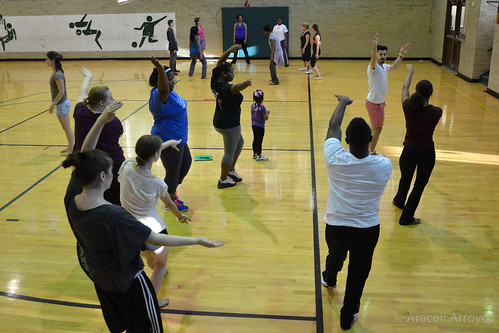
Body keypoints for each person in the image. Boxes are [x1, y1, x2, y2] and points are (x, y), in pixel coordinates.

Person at [62, 103, 224, 332]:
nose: (112, 175)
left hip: (100, 279)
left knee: (118, 324)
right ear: (102, 177)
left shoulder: (72, 199)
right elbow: (158, 239)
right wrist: (198, 240)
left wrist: (101, 120)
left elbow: (83, 153)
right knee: (147, 325)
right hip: (128, 282)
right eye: (109, 172)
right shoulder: (115, 217)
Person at [321, 95, 392, 330]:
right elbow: (372, 157)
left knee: (335, 255)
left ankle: (329, 278)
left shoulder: (334, 157)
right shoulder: (384, 165)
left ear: (346, 141)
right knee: (358, 274)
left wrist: (342, 102)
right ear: (371, 139)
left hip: (336, 228)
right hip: (367, 231)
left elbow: (333, 127)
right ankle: (347, 315)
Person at [392, 65, 442, 225]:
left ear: (417, 91)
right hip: (427, 153)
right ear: (430, 94)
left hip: (409, 151)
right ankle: (406, 217)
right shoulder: (436, 112)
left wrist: (411, 72)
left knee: (405, 178)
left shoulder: (408, 107)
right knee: (419, 186)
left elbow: (405, 88)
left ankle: (399, 201)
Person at [73, 68, 124, 205]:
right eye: (110, 98)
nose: (113, 100)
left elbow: (82, 93)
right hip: (110, 165)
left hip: (86, 167)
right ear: (102, 103)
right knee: (114, 200)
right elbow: (119, 134)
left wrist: (88, 77)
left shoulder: (80, 111)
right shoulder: (112, 122)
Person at [148, 57, 192, 212]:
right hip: (167, 138)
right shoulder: (159, 96)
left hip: (180, 137)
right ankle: (170, 202)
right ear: (162, 81)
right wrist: (160, 68)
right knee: (173, 173)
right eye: (170, 80)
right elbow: (164, 89)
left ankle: (168, 192)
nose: (173, 83)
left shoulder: (170, 94)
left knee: (186, 165)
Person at [211, 45, 252, 189]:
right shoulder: (225, 88)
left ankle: (230, 171)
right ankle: (223, 179)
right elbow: (234, 88)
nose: (233, 75)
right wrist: (246, 84)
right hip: (230, 125)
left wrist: (229, 50)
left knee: (239, 144)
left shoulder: (215, 81)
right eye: (232, 73)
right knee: (229, 152)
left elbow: (220, 62)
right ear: (224, 74)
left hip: (220, 121)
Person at [366, 33, 411, 153]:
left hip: (379, 103)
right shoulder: (373, 68)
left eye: (385, 54)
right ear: (376, 54)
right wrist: (374, 44)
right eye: (380, 54)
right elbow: (373, 58)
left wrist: (401, 54)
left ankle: (368, 148)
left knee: (375, 128)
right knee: (378, 129)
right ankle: (370, 152)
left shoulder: (384, 67)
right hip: (375, 104)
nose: (383, 56)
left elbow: (394, 66)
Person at [46, 51, 74, 156]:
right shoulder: (55, 73)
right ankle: (70, 147)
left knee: (67, 128)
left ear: (53, 60)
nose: (45, 61)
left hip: (62, 104)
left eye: (47, 59)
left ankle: (71, 149)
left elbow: (61, 92)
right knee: (65, 127)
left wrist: (53, 104)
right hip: (60, 104)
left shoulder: (57, 75)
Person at [251, 89, 270, 161]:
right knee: (259, 140)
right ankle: (259, 155)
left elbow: (252, 114)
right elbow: (265, 118)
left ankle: (255, 153)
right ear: (262, 99)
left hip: (254, 125)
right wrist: (267, 114)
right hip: (260, 126)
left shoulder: (252, 106)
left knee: (255, 139)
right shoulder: (262, 108)